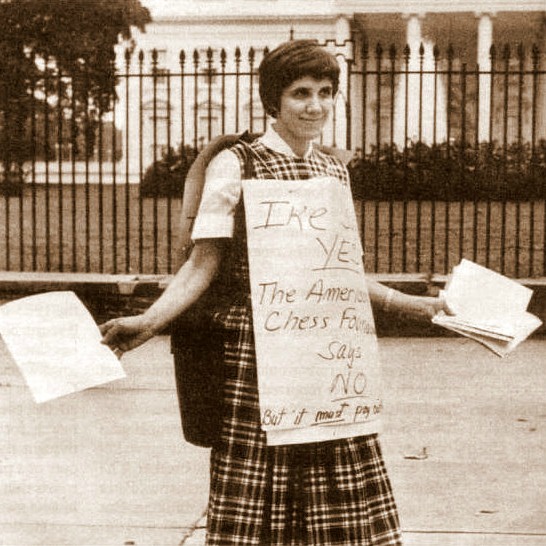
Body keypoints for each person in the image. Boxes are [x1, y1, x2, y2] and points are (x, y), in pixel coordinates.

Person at [101, 39, 448, 546]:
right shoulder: (236, 164)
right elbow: (203, 264)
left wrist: (420, 306)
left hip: (329, 357)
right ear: (273, 101)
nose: (316, 106)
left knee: (337, 485)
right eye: (301, 93)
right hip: (256, 355)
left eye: (326, 92)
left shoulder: (333, 171)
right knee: (260, 488)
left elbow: (340, 273)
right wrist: (148, 322)